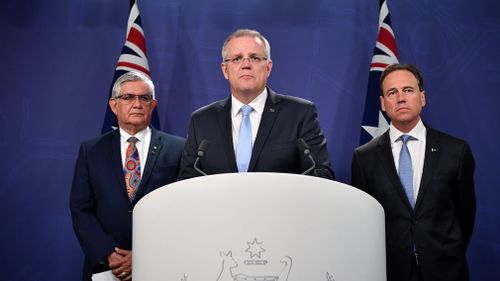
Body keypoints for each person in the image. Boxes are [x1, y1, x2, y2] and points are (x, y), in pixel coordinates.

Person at [351, 64, 476, 281]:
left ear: (422, 97)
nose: (401, 98)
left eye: (408, 90)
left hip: (446, 271)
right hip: (391, 272)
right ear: (382, 103)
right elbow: (365, 222)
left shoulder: (455, 151)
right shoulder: (364, 158)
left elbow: (465, 215)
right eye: (392, 92)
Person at [70, 71, 185, 281]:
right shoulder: (91, 150)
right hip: (106, 268)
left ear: (153, 105)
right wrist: (108, 253)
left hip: (161, 264)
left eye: (144, 98)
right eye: (128, 97)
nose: (137, 104)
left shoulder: (178, 148)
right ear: (114, 105)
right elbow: (81, 209)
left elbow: (183, 210)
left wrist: (144, 255)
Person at [177, 29, 334, 180]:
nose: (246, 64)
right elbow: (187, 180)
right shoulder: (202, 121)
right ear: (225, 70)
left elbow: (321, 173)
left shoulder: (299, 114)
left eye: (255, 58)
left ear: (268, 67)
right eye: (237, 58)